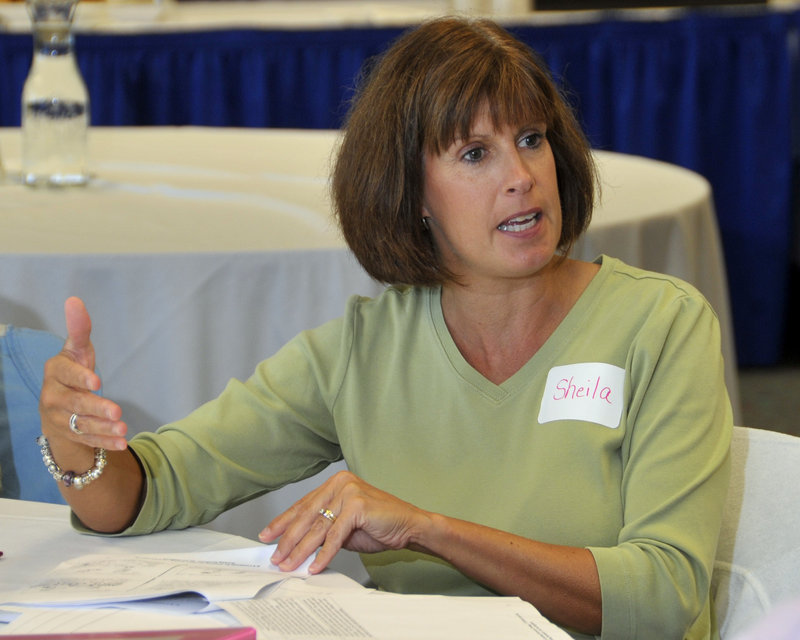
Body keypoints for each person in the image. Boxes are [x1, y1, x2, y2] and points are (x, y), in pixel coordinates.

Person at [38, 16, 732, 640]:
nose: (521, 176)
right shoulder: (363, 353)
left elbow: (664, 597)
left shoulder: (659, 325)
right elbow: (145, 494)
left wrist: (428, 529)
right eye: (474, 154)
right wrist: (76, 445)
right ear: (412, 193)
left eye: (530, 139)